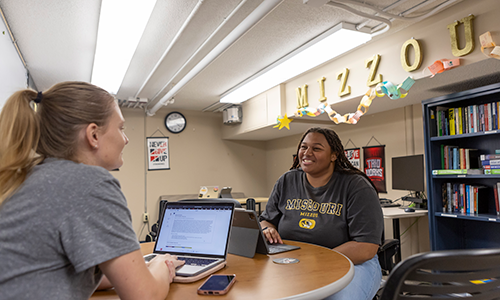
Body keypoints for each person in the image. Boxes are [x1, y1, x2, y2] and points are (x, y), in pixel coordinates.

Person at [0, 82, 184, 300]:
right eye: (121, 128)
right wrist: (163, 265)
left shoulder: (30, 177)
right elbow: (145, 296)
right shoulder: (88, 183)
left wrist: (143, 268)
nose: (125, 139)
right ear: (93, 135)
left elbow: (53, 272)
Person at [259, 127, 383, 300]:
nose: (307, 153)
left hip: (353, 263)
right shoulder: (287, 180)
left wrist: (316, 263)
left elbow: (366, 247)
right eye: (303, 147)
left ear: (334, 155)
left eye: (316, 148)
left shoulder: (356, 186)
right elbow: (266, 220)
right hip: (294, 262)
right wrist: (266, 230)